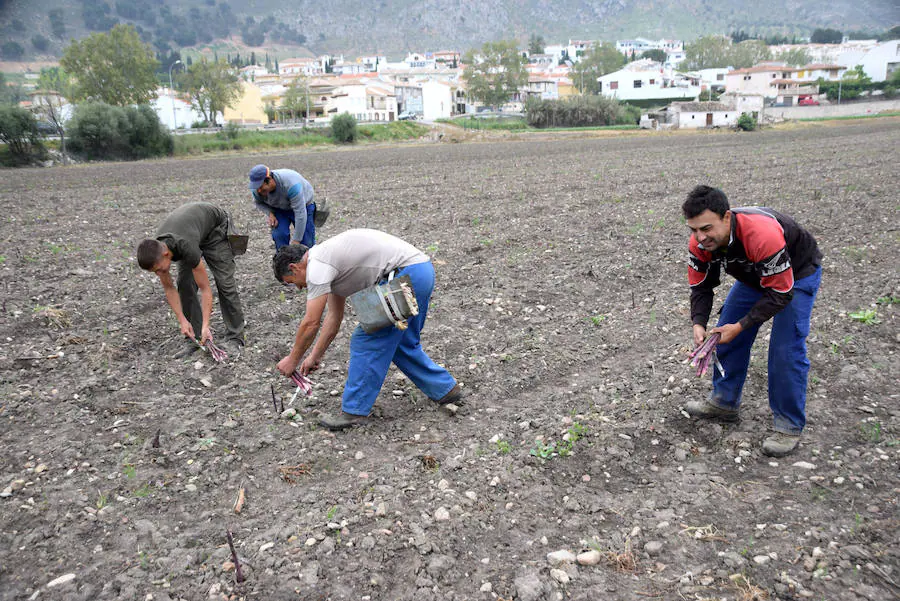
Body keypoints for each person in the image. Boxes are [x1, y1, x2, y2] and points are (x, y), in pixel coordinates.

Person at [272, 229, 461, 431]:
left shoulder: (317, 267)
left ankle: (354, 412)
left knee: (366, 341)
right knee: (401, 344)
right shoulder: (328, 262)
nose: (300, 288)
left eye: (292, 283)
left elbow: (311, 322)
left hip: (406, 276)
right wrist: (313, 356)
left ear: (294, 267)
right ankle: (445, 390)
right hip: (421, 271)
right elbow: (333, 319)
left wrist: (292, 359)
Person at [682, 185, 822, 457]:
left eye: (706, 229)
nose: (700, 237)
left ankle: (788, 425)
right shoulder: (701, 243)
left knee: (785, 350)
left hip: (795, 275)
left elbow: (781, 293)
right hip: (754, 276)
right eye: (693, 230)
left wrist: (742, 326)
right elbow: (701, 287)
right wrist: (698, 323)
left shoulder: (761, 234)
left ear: (726, 217)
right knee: (721, 334)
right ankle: (724, 403)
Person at [136, 202, 245, 359]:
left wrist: (206, 324)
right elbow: (169, 288)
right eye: (155, 272)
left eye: (159, 269)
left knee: (224, 283)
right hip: (193, 232)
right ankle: (195, 337)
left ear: (166, 254)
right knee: (184, 284)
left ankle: (235, 337)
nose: (159, 274)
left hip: (215, 228)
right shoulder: (156, 252)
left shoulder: (184, 246)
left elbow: (206, 289)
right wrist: (182, 321)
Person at [248, 164, 317, 249]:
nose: (258, 191)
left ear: (269, 180)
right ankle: (284, 260)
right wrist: (270, 213)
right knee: (279, 235)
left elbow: (300, 214)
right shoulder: (257, 190)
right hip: (279, 208)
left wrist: (296, 240)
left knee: (306, 242)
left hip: (303, 206)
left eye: (261, 187)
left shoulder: (291, 186)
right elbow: (258, 203)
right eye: (256, 187)